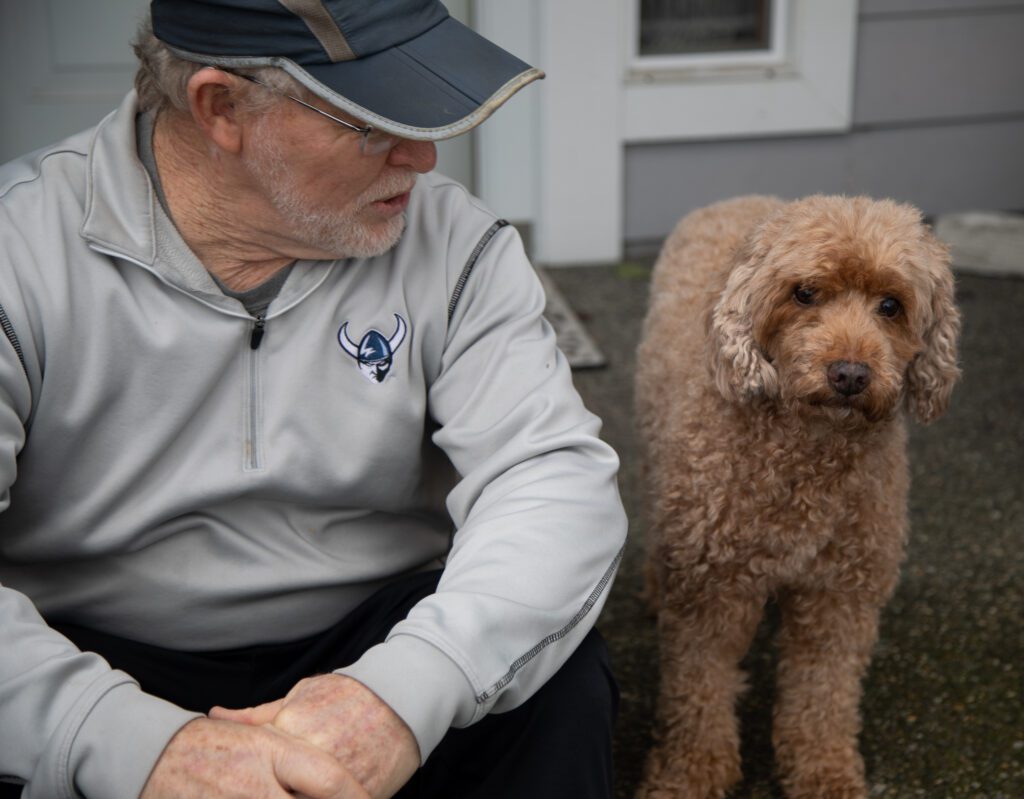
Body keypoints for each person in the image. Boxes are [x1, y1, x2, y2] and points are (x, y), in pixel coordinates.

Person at [0, 1, 628, 797]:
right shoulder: (18, 257)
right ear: (221, 108)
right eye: (371, 123)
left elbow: (551, 480)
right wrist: (125, 741)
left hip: (377, 635)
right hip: (94, 646)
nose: (425, 157)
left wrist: (400, 695)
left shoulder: (454, 242)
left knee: (556, 684)